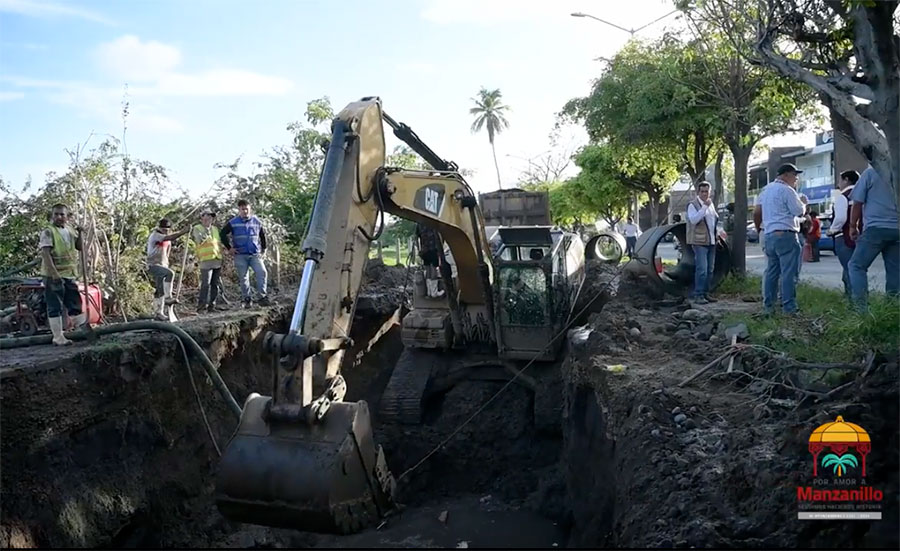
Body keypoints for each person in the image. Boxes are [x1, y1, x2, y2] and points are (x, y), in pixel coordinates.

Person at [753, 163, 806, 315]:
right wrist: (803, 204)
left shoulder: (766, 190)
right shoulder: (787, 190)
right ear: (786, 175)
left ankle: (768, 306)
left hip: (769, 234)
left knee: (771, 272)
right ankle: (789, 307)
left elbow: (758, 211)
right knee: (789, 273)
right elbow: (798, 211)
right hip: (786, 234)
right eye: (795, 175)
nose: (796, 179)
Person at [847, 165, 899, 311]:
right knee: (895, 272)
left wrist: (853, 226)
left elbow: (857, 203)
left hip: (875, 228)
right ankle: (893, 310)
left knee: (856, 266)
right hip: (897, 229)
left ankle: (861, 310)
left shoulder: (871, 173)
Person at [39, 204, 85, 345]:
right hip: (53, 275)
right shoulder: (48, 232)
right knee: (55, 305)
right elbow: (46, 254)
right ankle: (58, 337)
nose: (59, 217)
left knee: (74, 302)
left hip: (69, 274)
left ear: (67, 216)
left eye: (62, 214)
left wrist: (81, 233)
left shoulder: (70, 230)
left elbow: (79, 247)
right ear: (52, 216)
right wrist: (54, 274)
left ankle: (82, 329)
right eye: (56, 214)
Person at [220, 199, 270, 307]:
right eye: (243, 209)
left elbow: (262, 235)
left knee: (262, 272)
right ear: (239, 210)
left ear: (250, 209)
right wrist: (229, 248)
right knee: (243, 277)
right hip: (240, 255)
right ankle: (246, 299)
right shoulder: (233, 222)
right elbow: (222, 234)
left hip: (255, 254)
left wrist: (264, 249)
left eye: (246, 209)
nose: (245, 211)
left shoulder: (257, 221)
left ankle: (262, 297)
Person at [147, 218, 190, 321]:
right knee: (170, 274)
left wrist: (166, 263)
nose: (165, 231)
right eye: (164, 229)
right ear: (159, 228)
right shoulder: (155, 235)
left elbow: (167, 251)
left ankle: (159, 313)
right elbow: (169, 237)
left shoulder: (168, 239)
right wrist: (183, 232)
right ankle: (168, 297)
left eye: (167, 229)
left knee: (159, 289)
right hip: (153, 265)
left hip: (163, 265)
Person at [826, 170, 859, 298]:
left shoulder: (843, 196)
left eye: (840, 180)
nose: (839, 183)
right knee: (857, 268)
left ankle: (853, 299)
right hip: (860, 237)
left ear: (846, 180)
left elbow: (840, 218)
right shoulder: (862, 195)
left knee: (849, 269)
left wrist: (832, 230)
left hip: (844, 237)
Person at [686, 181, 719, 304]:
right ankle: (698, 294)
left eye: (707, 191)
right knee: (702, 269)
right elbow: (693, 220)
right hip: (699, 241)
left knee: (710, 269)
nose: (705, 194)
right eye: (702, 191)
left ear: (710, 192)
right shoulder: (692, 205)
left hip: (711, 240)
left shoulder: (711, 205)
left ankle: (706, 293)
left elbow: (714, 220)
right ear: (698, 192)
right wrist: (704, 206)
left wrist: (719, 233)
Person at [192, 210, 224, 313]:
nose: (207, 219)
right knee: (205, 284)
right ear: (201, 218)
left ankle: (212, 306)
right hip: (205, 260)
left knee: (215, 284)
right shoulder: (197, 228)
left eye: (210, 217)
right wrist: (206, 231)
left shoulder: (215, 229)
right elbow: (199, 240)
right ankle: (201, 307)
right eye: (205, 217)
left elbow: (217, 243)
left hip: (216, 259)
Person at [416, 224, 445, 298]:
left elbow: (416, 237)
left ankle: (429, 292)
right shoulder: (431, 221)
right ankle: (434, 292)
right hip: (433, 248)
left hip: (424, 249)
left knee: (427, 269)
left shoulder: (420, 223)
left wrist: (419, 249)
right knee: (433, 269)